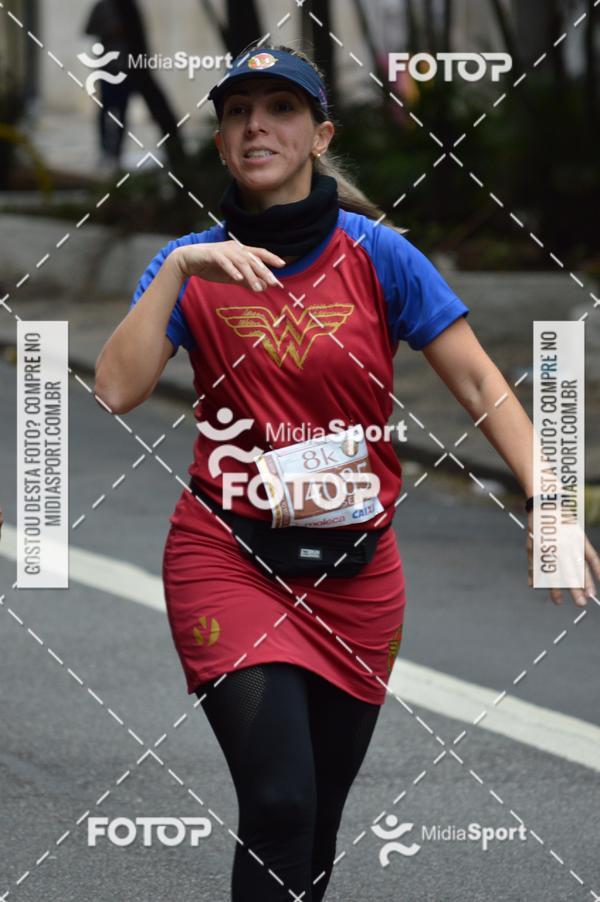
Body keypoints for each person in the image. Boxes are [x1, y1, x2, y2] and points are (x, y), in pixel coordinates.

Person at [94, 42, 600, 901]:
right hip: (229, 558)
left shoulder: (377, 255)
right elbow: (114, 390)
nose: (258, 125)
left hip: (357, 576)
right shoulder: (187, 265)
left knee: (316, 819)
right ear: (220, 144)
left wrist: (550, 503)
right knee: (280, 798)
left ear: (320, 133)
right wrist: (180, 267)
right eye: (238, 113)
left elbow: (480, 380)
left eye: (281, 109)